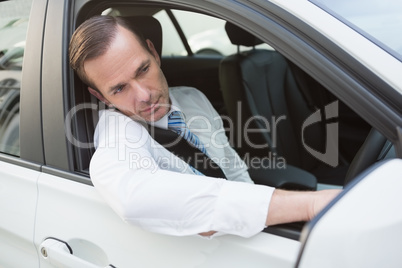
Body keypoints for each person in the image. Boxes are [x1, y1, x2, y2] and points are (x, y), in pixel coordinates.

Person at [69, 15, 341, 238]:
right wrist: (310, 204)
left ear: (154, 53)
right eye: (119, 89)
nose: (143, 95)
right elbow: (136, 197)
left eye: (142, 70)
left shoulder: (192, 98)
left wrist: (265, 226)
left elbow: (232, 167)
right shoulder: (118, 137)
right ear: (102, 97)